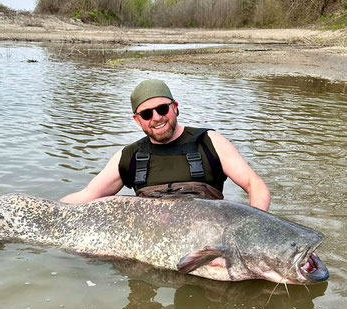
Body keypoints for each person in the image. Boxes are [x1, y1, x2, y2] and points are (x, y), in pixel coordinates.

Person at [60, 79, 270, 210]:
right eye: (147, 113)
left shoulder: (210, 142)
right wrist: (48, 211)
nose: (157, 118)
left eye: (162, 109)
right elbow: (88, 196)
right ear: (137, 119)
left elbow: (255, 184)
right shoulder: (130, 156)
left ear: (175, 107)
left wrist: (257, 224)